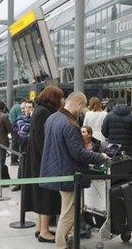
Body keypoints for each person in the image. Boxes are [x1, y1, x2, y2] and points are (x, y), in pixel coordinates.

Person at [39, 92, 108, 248]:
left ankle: (70, 240)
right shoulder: (70, 123)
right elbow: (78, 153)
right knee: (68, 213)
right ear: (78, 104)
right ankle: (61, 245)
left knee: (67, 209)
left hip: (55, 170)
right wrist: (100, 156)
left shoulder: (52, 118)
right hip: (68, 173)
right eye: (82, 106)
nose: (82, 110)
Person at [22, 86, 64, 242]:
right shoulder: (44, 113)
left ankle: (41, 228)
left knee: (41, 193)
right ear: (53, 98)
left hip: (37, 158)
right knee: (45, 194)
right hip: (42, 160)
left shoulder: (39, 110)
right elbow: (43, 140)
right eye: (59, 98)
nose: (61, 101)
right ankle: (44, 231)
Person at [11, 100, 34, 192]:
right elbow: (23, 128)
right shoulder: (20, 117)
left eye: (29, 107)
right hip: (23, 143)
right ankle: (19, 183)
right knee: (22, 164)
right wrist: (32, 124)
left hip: (32, 143)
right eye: (26, 107)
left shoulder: (34, 117)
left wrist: (32, 120)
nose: (27, 109)